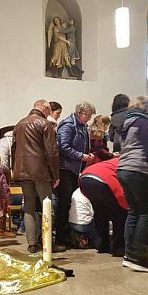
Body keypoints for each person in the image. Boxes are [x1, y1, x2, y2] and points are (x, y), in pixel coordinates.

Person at [117, 96, 148, 272]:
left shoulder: (126, 122)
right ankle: (140, 257)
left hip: (123, 169)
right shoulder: (142, 121)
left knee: (134, 211)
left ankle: (129, 254)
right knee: (147, 212)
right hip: (138, 169)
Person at [13, 99, 60, 253]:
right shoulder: (45, 124)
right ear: (45, 109)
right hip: (40, 172)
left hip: (22, 171)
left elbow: (13, 150)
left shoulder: (19, 124)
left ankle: (32, 243)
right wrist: (56, 174)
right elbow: (52, 152)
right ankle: (47, 243)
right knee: (47, 206)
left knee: (28, 207)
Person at [55, 101, 96, 249]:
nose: (89, 119)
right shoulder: (68, 125)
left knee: (71, 202)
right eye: (88, 116)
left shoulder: (82, 126)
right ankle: (60, 237)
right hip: (65, 168)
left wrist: (86, 155)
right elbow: (63, 147)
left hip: (74, 168)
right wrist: (81, 156)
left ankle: (70, 235)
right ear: (81, 113)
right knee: (64, 203)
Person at [79, 157, 127, 256]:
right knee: (119, 213)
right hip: (103, 179)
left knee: (100, 212)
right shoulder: (133, 163)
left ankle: (101, 245)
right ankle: (119, 249)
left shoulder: (117, 160)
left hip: (85, 178)